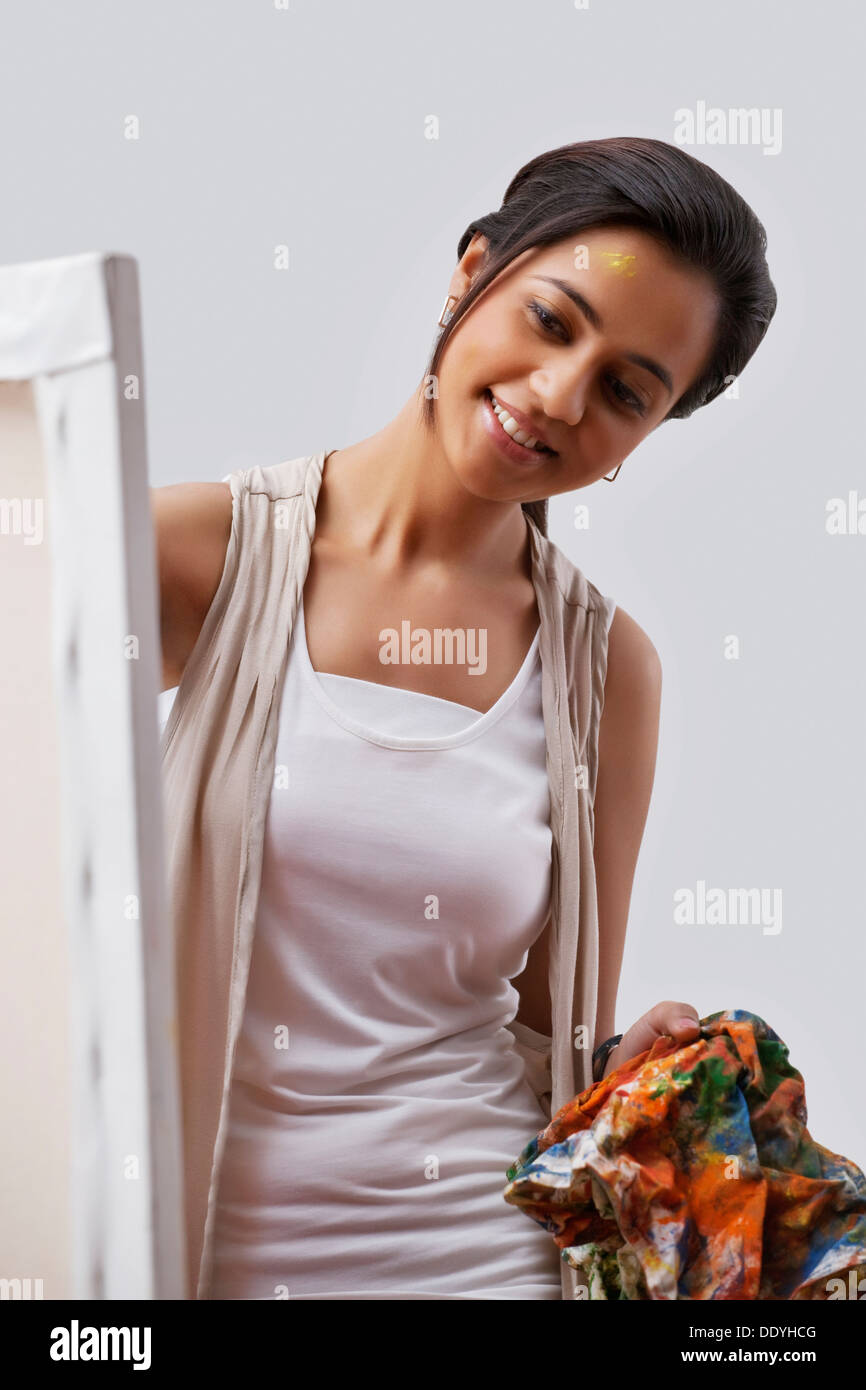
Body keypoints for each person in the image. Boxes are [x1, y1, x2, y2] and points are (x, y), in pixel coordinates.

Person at [152, 136, 777, 1299]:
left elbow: (551, 1036)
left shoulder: (606, 670)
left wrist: (628, 1074)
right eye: (550, 321)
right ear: (471, 270)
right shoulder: (198, 555)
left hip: (474, 1265)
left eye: (625, 391)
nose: (555, 396)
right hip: (186, 1261)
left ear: (647, 434)